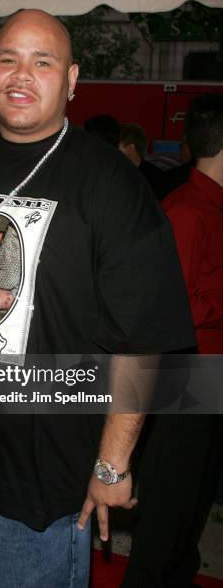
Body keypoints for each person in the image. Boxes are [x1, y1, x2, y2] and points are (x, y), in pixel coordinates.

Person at [0, 10, 195, 587]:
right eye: (7, 59)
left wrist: (111, 463)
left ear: (71, 80)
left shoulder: (113, 186)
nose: (21, 74)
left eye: (42, 62)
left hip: (36, 492)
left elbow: (146, 341)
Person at [122, 94, 223, 587]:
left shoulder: (207, 205)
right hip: (187, 375)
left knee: (195, 496)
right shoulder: (187, 209)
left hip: (207, 371)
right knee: (170, 503)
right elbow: (169, 306)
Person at [118, 123, 166, 200]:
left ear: (131, 149)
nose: (113, 152)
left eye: (117, 148)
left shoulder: (154, 180)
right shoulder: (119, 174)